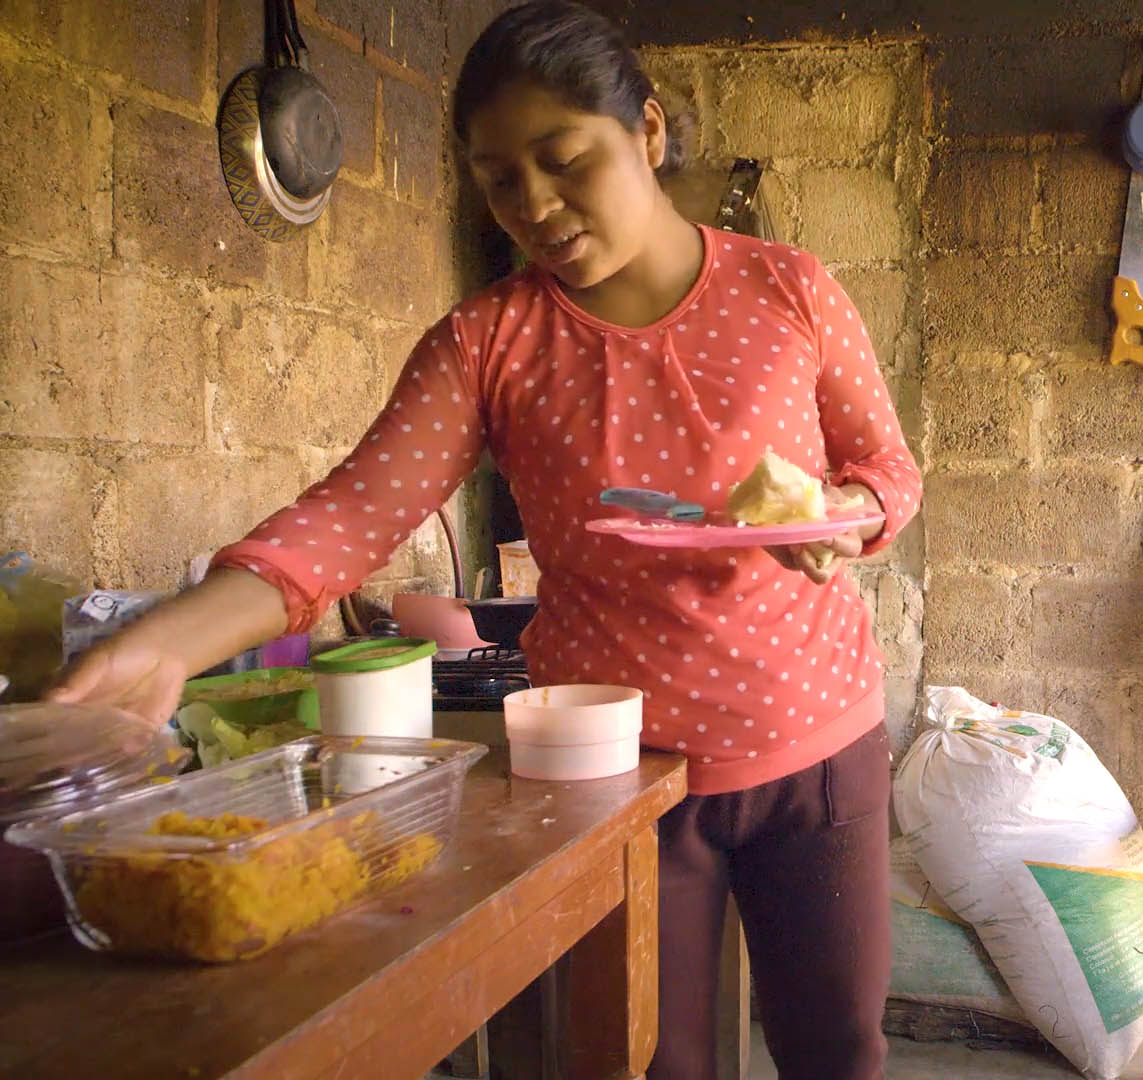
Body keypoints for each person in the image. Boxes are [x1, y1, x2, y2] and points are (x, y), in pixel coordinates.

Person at [48, 3, 920, 1077]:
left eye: (565, 161)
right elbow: (349, 520)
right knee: (656, 1061)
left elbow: (886, 468)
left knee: (839, 1050)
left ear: (646, 132)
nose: (537, 207)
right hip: (615, 768)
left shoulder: (788, 289)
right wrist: (171, 645)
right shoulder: (489, 343)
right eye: (502, 180)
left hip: (815, 742)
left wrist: (851, 523)